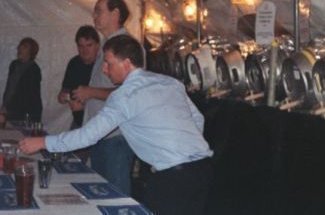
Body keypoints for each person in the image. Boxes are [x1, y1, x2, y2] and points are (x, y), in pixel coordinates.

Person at [20, 35, 213, 215]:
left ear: (127, 64)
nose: (104, 68)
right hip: (203, 171)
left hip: (172, 179)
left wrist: (43, 142)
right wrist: (186, 149)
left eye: (108, 63)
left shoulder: (123, 96)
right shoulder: (169, 82)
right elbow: (198, 119)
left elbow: (88, 136)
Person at [69, 0, 135, 195]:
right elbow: (105, 91)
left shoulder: (126, 46)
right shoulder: (108, 46)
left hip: (116, 138)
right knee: (102, 195)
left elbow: (130, 93)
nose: (94, 15)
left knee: (116, 197)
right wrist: (85, 101)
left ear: (115, 14)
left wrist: (90, 92)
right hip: (101, 134)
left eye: (99, 10)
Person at [58, 25, 100, 129]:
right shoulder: (74, 63)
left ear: (97, 45)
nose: (84, 50)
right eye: (80, 46)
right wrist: (63, 96)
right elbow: (64, 91)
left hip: (99, 126)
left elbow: (112, 97)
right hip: (78, 123)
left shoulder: (103, 65)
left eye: (89, 45)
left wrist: (84, 107)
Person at [0, 37, 42, 124]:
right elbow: (9, 88)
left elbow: (27, 95)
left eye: (25, 47)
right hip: (12, 111)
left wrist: (8, 110)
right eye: (20, 46)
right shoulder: (14, 65)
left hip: (28, 114)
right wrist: (4, 104)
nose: (20, 48)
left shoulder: (33, 69)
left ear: (32, 52)